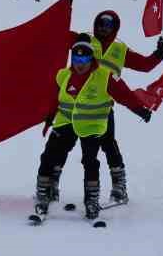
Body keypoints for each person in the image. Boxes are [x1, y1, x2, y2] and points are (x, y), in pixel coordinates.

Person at [31, 34, 152, 222]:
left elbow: (125, 95)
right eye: (76, 58)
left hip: (92, 126)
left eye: (85, 58)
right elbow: (55, 99)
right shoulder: (64, 75)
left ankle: (91, 201)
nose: (80, 63)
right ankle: (44, 193)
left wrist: (139, 110)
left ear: (91, 58)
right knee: (49, 156)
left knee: (90, 161)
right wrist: (49, 119)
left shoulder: (104, 76)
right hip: (65, 122)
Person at [88, 9, 163, 204]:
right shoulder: (85, 40)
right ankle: (50, 187)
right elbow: (57, 38)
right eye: (100, 24)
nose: (103, 28)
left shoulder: (120, 49)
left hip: (104, 106)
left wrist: (158, 54)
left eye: (108, 25)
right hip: (76, 103)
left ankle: (119, 187)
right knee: (63, 145)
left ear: (114, 28)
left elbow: (144, 65)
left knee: (108, 146)